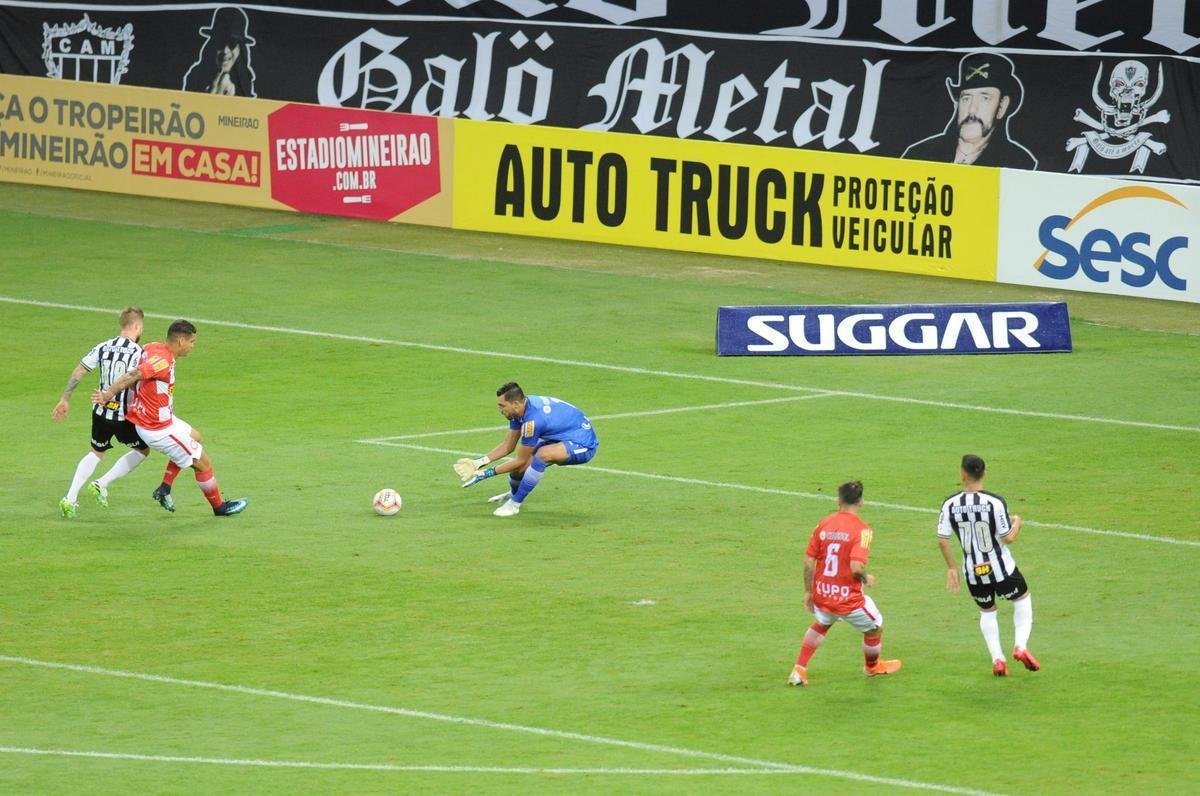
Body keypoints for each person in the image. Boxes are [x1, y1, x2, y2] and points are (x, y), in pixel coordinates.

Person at [93, 319, 248, 517]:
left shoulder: (153, 347)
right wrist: (108, 395)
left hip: (159, 419)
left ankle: (165, 488)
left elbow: (137, 366)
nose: (193, 346)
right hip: (159, 429)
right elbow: (132, 374)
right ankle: (220, 508)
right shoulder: (162, 362)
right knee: (203, 463)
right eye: (192, 342)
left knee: (195, 436)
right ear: (181, 341)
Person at [788, 481, 902, 686]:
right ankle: (872, 667)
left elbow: (808, 560)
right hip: (848, 600)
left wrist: (808, 591)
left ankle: (799, 669)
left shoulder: (824, 523)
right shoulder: (863, 530)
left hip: (822, 593)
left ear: (838, 501)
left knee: (823, 622)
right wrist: (866, 578)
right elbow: (856, 568)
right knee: (875, 627)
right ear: (862, 502)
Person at [937, 454, 1039, 676]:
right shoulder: (995, 502)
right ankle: (1020, 646)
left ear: (962, 474)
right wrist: (1018, 523)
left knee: (987, 611)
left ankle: (997, 659)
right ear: (984, 473)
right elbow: (1008, 537)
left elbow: (942, 539)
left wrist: (952, 568)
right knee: (1022, 599)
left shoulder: (950, 504)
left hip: (973, 572)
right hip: (1001, 568)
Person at [52, 307, 151, 518]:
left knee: (96, 452)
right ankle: (101, 483)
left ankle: (70, 499)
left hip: (100, 411)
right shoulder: (138, 352)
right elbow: (136, 381)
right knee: (143, 450)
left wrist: (65, 399)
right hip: (124, 416)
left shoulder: (104, 346)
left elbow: (80, 370)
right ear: (137, 326)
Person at [454, 382, 598, 517]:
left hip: (583, 444)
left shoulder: (532, 421)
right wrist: (477, 463)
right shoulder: (519, 411)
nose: (500, 410)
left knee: (542, 455)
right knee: (519, 469)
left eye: (502, 406)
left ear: (515, 404)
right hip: (562, 438)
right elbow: (508, 446)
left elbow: (519, 460)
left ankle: (515, 504)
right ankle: (513, 494)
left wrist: (485, 473)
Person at [902, 52, 1037, 169]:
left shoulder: (1019, 164)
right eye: (966, 98)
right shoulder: (918, 155)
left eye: (985, 98)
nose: (972, 110)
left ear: (1002, 106)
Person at [182, 7, 257, 97]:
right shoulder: (195, 77)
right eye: (221, 41)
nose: (225, 51)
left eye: (232, 44)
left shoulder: (246, 81)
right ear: (213, 45)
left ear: (239, 50)